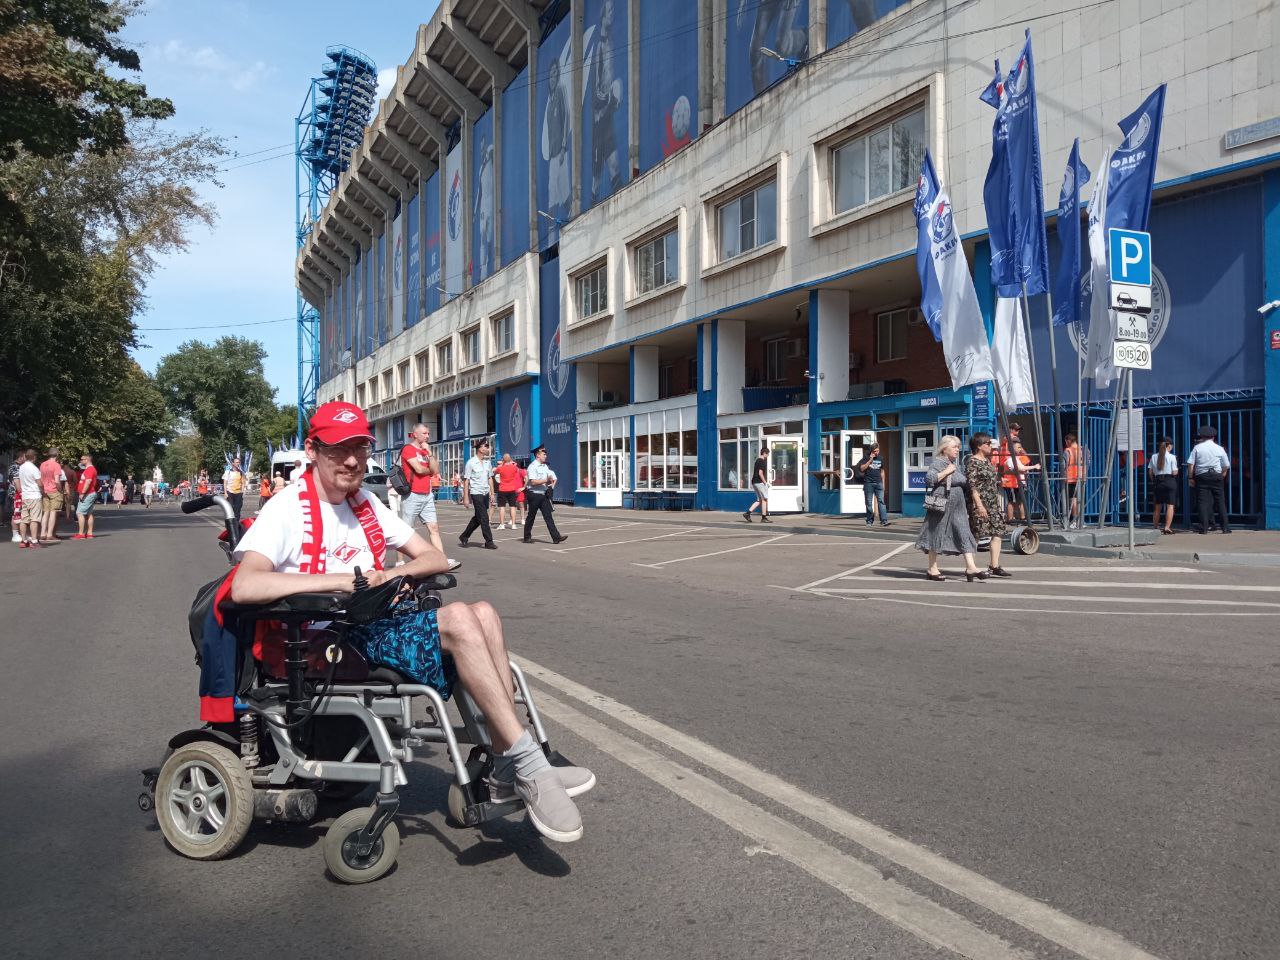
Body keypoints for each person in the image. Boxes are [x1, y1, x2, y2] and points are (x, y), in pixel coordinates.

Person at [230, 401, 592, 843]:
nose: (351, 461)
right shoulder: (288, 508)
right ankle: (528, 763)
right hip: (320, 638)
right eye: (338, 451)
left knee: (484, 614)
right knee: (459, 617)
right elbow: (244, 587)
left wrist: (391, 575)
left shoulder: (365, 503)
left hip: (372, 626)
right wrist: (344, 580)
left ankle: (506, 760)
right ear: (312, 450)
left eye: (360, 449)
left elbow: (434, 556)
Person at [915, 435, 987, 582]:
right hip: (942, 503)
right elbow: (929, 479)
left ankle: (971, 567)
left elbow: (962, 481)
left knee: (964, 532)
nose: (957, 450)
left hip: (958, 505)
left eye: (958, 447)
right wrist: (947, 471)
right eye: (954, 447)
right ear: (944, 448)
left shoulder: (955, 463)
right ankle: (932, 568)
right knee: (936, 533)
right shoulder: (938, 462)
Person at [400, 422, 454, 567]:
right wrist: (429, 470)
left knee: (434, 527)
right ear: (415, 434)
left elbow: (435, 470)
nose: (427, 436)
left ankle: (442, 560)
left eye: (428, 433)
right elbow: (419, 470)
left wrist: (429, 454)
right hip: (412, 494)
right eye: (424, 433)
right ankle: (400, 562)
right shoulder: (408, 449)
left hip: (427, 494)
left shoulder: (425, 452)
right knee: (406, 530)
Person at [965, 433, 1011, 578]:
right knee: (976, 534)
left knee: (998, 532)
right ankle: (971, 567)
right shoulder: (972, 462)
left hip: (993, 504)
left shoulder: (987, 461)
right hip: (979, 505)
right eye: (988, 443)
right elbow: (972, 486)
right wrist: (979, 506)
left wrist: (999, 482)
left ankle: (994, 565)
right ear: (979, 446)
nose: (990, 446)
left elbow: (987, 481)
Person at [1186, 425, 1231, 535]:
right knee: (1220, 501)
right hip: (1216, 475)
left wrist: (1190, 477)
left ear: (1202, 437)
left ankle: (1204, 528)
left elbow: (1191, 464)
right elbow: (1226, 465)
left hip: (1202, 476)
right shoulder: (1220, 448)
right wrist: (1222, 474)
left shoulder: (1197, 448)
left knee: (1202, 501)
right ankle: (1225, 528)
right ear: (1213, 437)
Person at [523, 444, 568, 544]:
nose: (545, 456)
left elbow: (549, 477)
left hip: (543, 494)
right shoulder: (532, 466)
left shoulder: (545, 467)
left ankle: (556, 537)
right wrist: (546, 480)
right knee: (531, 516)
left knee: (548, 517)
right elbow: (533, 482)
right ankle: (527, 537)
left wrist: (550, 481)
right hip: (534, 494)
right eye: (544, 454)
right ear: (538, 455)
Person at [459, 438, 497, 550]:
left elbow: (490, 478)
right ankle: (489, 541)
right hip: (476, 493)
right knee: (484, 517)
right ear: (479, 448)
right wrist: (466, 497)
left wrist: (492, 493)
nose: (487, 448)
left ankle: (464, 536)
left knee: (478, 517)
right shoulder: (470, 463)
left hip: (485, 492)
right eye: (485, 446)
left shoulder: (487, 463)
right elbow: (466, 480)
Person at [1148, 436, 1179, 535]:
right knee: (1170, 506)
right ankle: (1167, 527)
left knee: (1157, 507)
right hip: (1169, 481)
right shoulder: (1172, 457)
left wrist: (1154, 480)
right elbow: (1174, 472)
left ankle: (1156, 527)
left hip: (1158, 481)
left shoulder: (1154, 456)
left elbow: (1150, 472)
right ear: (1169, 446)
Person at [856, 442, 890, 527]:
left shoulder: (881, 458)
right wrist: (870, 461)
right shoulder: (866, 458)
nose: (876, 453)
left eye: (878, 451)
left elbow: (882, 472)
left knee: (881, 502)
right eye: (875, 451)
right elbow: (861, 468)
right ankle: (869, 521)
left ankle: (884, 520)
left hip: (878, 483)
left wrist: (883, 484)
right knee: (869, 503)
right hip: (869, 483)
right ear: (871, 451)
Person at [17, 450, 43, 548]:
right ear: (34, 457)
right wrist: (43, 491)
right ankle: (34, 540)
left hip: (25, 495)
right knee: (34, 519)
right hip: (34, 495)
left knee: (24, 519)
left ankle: (23, 540)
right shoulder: (34, 468)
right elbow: (39, 483)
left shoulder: (21, 467)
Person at [39, 448, 66, 542]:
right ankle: (50, 534)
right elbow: (57, 481)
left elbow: (41, 479)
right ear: (57, 455)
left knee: (45, 512)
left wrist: (42, 489)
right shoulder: (56, 465)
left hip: (45, 491)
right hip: (54, 490)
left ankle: (43, 533)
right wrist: (61, 491)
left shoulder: (42, 464)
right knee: (53, 512)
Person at [492, 452, 522, 530]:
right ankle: (513, 524)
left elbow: (494, 471)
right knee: (512, 506)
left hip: (502, 489)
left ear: (503, 460)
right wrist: (512, 464)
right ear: (510, 459)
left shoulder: (500, 468)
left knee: (502, 507)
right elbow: (517, 470)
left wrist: (502, 464)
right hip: (512, 489)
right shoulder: (514, 467)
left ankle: (502, 524)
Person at [743, 446, 772, 523]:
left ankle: (747, 513)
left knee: (759, 500)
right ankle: (764, 518)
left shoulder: (757, 460)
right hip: (759, 482)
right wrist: (765, 483)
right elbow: (760, 473)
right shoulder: (762, 461)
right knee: (765, 499)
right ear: (764, 453)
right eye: (768, 454)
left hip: (754, 482)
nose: (768, 456)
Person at [74, 453, 99, 539]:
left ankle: (81, 533)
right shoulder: (89, 469)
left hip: (87, 494)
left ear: (87, 460)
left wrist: (82, 493)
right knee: (88, 513)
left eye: (82, 459)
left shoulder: (90, 469)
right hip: (90, 493)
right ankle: (89, 533)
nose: (81, 461)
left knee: (79, 513)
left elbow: (88, 482)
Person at [1062, 433, 1084, 529]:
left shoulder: (1068, 451)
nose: (1065, 443)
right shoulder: (1083, 450)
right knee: (1079, 499)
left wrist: (1062, 474)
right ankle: (1080, 521)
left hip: (1071, 478)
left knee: (1073, 500)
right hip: (1081, 477)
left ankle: (1075, 521)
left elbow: (1063, 464)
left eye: (1065, 441)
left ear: (1068, 441)